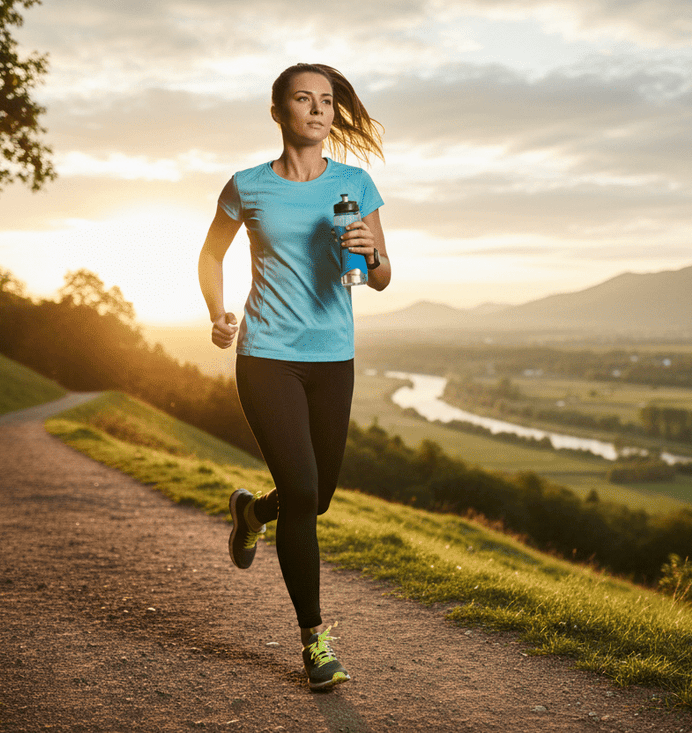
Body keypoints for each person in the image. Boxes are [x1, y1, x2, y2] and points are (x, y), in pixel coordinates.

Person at [197, 63, 391, 691]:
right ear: (279, 111)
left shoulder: (355, 184)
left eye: (326, 101)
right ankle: (315, 642)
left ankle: (252, 513)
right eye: (303, 99)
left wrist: (374, 253)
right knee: (303, 491)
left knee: (317, 497)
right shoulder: (247, 186)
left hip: (333, 359)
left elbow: (382, 278)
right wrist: (217, 312)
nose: (317, 110)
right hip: (267, 356)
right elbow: (211, 252)